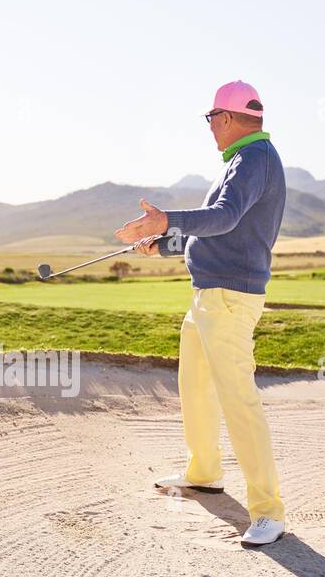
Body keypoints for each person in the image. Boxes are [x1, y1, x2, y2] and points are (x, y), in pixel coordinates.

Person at [115, 81, 286, 547]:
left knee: (238, 401)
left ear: (228, 118)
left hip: (229, 298)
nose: (210, 127)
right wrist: (165, 244)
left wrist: (167, 218)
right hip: (208, 295)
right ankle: (204, 472)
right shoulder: (242, 161)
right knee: (195, 387)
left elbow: (225, 216)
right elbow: (217, 229)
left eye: (211, 118)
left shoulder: (254, 160)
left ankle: (268, 511)